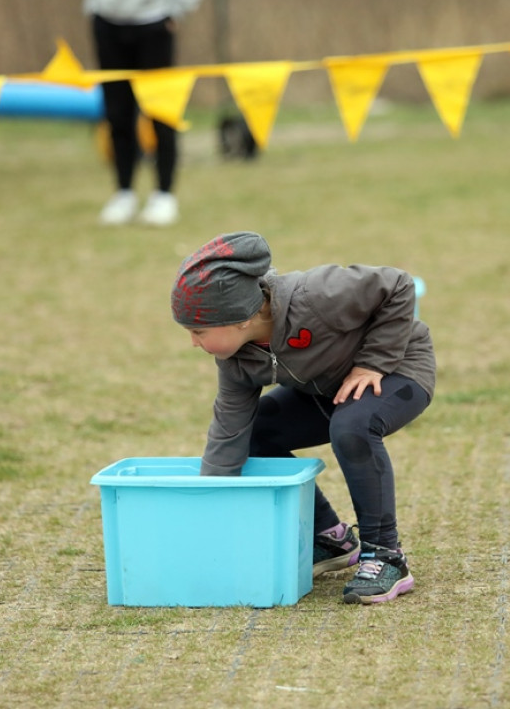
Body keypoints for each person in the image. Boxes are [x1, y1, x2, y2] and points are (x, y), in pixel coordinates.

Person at [171, 232, 436, 604]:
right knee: (256, 431)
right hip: (327, 387)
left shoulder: (314, 296)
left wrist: (372, 362)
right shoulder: (236, 361)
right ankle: (328, 537)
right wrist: (208, 510)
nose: (193, 342)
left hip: (399, 368)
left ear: (241, 318)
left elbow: (398, 284)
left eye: (198, 331)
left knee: (352, 426)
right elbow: (228, 434)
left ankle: (386, 556)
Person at [82, 0, 210, 226]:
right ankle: (123, 193)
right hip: (108, 20)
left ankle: (164, 194)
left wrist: (177, 9)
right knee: (117, 113)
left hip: (155, 21)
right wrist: (94, 4)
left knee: (161, 112)